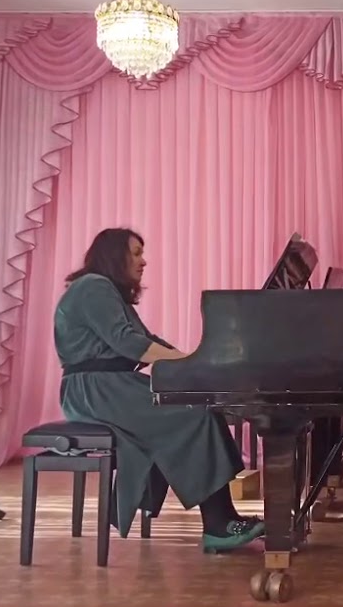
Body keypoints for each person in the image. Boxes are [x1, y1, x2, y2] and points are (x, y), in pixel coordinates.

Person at [54, 227, 265, 552]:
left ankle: (223, 518)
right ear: (115, 256)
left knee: (198, 407)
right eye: (136, 253)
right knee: (193, 413)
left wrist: (193, 360)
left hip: (108, 387)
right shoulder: (94, 286)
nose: (143, 261)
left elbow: (147, 340)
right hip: (94, 391)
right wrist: (192, 361)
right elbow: (128, 342)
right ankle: (218, 525)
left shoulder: (104, 290)